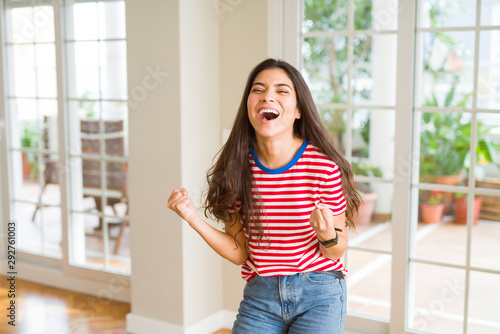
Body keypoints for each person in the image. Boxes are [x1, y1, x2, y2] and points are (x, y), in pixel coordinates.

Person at [167, 58, 361, 333]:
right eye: (258, 89)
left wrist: (327, 232)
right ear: (249, 105)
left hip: (319, 292)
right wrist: (191, 218)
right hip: (262, 293)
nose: (267, 95)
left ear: (298, 111)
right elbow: (239, 252)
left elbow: (336, 250)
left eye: (282, 91)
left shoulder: (322, 168)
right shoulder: (236, 169)